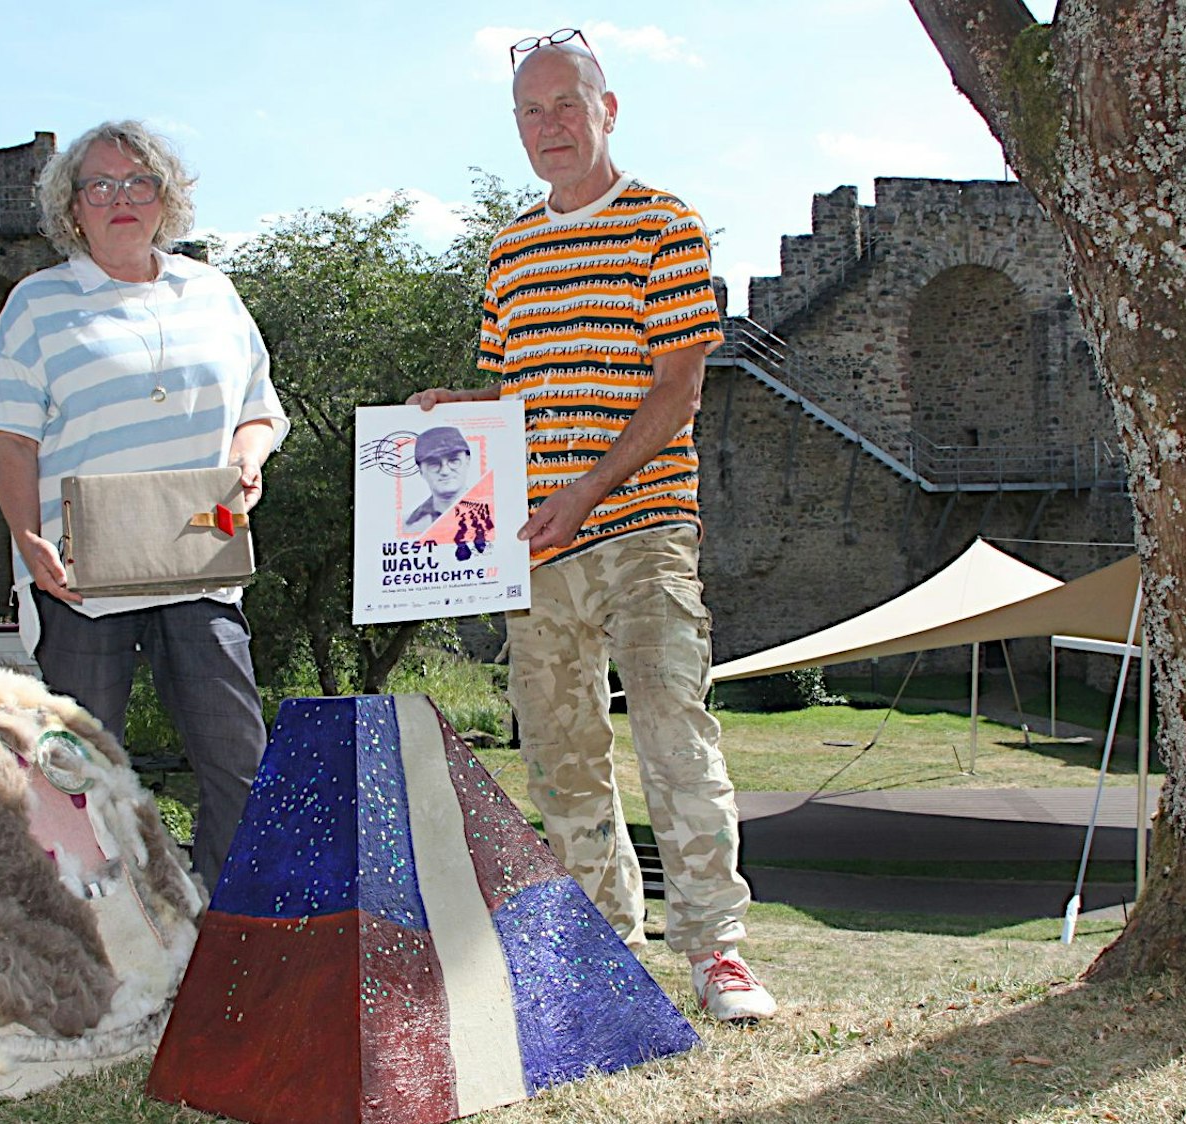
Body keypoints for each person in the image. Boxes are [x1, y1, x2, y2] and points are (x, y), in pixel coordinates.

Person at [408, 31, 775, 1022]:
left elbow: (676, 391)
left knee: (669, 724)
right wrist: (459, 412)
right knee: (561, 750)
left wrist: (588, 493)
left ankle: (716, 950)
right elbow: (518, 394)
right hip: (530, 541)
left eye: (566, 103)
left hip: (643, 523)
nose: (549, 127)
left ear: (607, 108)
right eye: (530, 111)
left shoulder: (667, 224)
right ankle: (602, 949)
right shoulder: (510, 251)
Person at [0, 120, 288, 892]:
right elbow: (11, 444)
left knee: (237, 762)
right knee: (73, 772)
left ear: (166, 199)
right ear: (71, 208)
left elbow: (259, 409)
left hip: (199, 566)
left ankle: (223, 938)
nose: (120, 199)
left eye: (138, 183)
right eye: (99, 186)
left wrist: (248, 460)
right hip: (80, 578)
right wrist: (27, 540)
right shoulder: (37, 304)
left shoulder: (211, 291)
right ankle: (93, 941)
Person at [404, 426, 475, 533]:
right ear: (421, 471)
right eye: (434, 464)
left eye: (454, 461)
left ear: (467, 460)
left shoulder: (494, 513)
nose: (445, 471)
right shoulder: (406, 526)